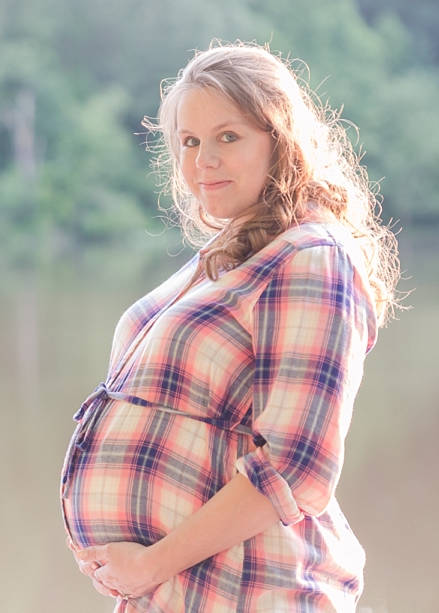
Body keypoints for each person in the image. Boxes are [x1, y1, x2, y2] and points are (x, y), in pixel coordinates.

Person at [60, 42, 399, 612]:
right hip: (179, 593)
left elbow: (298, 466)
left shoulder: (311, 256)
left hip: (253, 593)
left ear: (281, 140)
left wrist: (147, 564)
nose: (202, 161)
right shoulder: (229, 255)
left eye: (228, 137)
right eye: (189, 142)